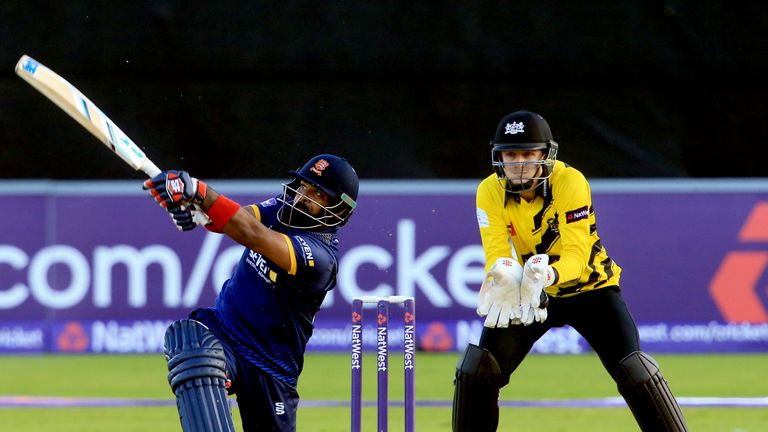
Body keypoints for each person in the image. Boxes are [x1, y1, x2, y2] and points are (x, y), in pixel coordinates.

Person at [452, 110, 688, 431]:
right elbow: (496, 252)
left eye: (527, 154)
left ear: (545, 156)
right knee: (479, 369)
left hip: (592, 292)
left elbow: (577, 258)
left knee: (634, 369)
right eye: (510, 155)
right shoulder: (489, 190)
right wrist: (504, 273)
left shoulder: (570, 182)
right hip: (530, 295)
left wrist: (545, 275)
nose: (518, 164)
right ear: (499, 157)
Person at [143, 154, 359, 432]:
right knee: (192, 345)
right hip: (225, 330)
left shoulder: (320, 257)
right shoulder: (282, 207)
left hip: (270, 366)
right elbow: (238, 219)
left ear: (339, 210)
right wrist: (195, 207)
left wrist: (200, 190)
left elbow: (254, 235)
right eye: (304, 186)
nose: (304, 196)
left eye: (318, 194)